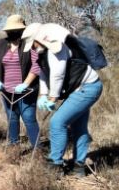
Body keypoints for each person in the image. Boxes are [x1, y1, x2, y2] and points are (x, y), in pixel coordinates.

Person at [22, 23, 103, 176]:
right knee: (78, 126)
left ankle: (55, 164)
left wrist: (52, 98)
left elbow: (57, 75)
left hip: (87, 87)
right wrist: (43, 95)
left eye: (32, 43)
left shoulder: (56, 49)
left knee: (57, 122)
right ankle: (79, 166)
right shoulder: (42, 53)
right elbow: (44, 74)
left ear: (38, 39)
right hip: (80, 89)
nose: (32, 47)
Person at [0, 15, 41, 148]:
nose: (13, 32)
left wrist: (26, 84)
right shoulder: (0, 44)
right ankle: (14, 147)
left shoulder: (29, 44)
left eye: (16, 30)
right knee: (12, 118)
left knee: (29, 119)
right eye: (10, 30)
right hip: (7, 91)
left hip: (26, 91)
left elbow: (37, 65)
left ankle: (37, 149)